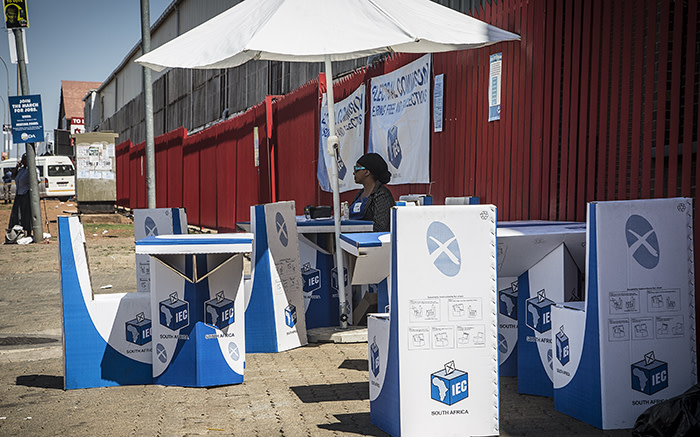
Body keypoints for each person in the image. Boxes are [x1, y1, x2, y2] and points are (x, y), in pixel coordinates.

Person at [349, 153, 395, 232]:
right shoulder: (360, 194)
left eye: (357, 168)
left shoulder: (382, 195)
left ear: (367, 172)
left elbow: (381, 227)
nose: (354, 172)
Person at [7, 154, 33, 238]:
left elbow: (37, 181)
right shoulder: (21, 170)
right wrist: (17, 167)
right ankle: (18, 232)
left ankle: (28, 231)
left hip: (26, 194)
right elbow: (13, 176)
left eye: (24, 159)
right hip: (19, 194)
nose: (23, 161)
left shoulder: (32, 170)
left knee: (26, 214)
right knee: (17, 214)